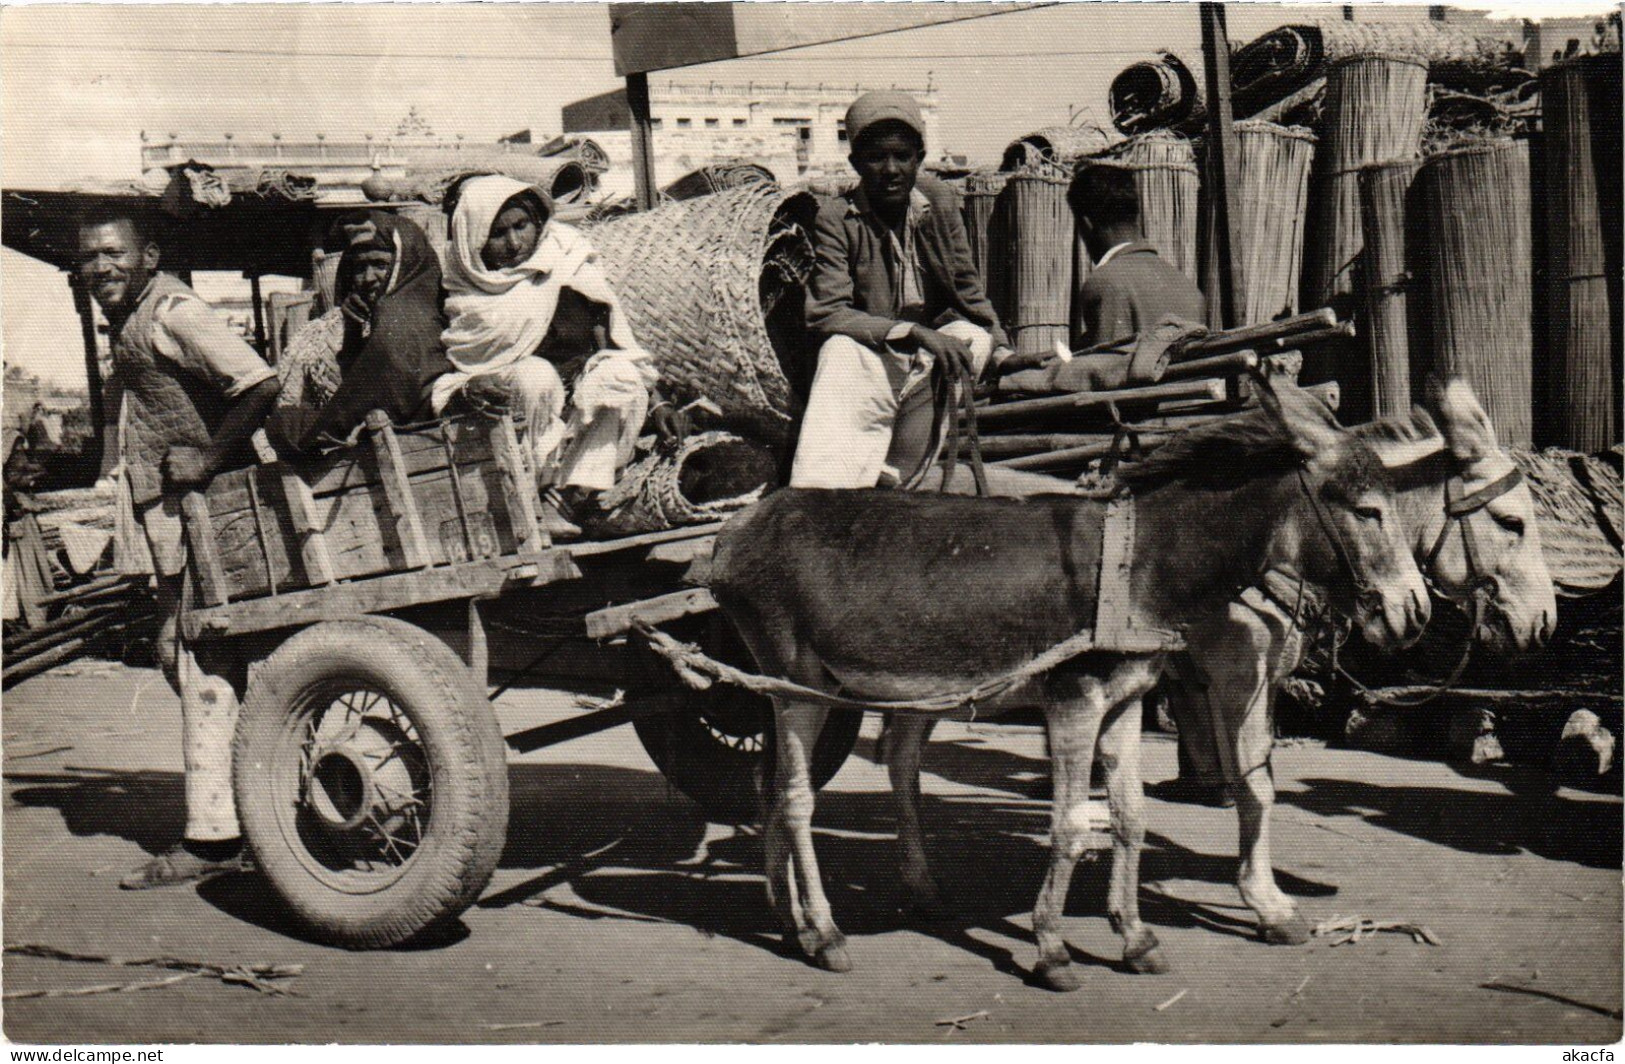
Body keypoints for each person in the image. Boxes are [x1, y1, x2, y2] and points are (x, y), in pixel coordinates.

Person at [77, 206, 280, 887]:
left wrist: (210, 457)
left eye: (113, 252)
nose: (100, 266)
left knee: (197, 661)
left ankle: (213, 838)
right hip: (174, 519)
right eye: (90, 257)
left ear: (150, 256)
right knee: (178, 656)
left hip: (212, 513)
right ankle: (256, 808)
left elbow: (258, 382)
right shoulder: (134, 321)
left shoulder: (173, 313)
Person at [790, 90, 1012, 490]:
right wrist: (909, 332)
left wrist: (1003, 348)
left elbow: (966, 286)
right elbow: (826, 312)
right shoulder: (837, 218)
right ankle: (819, 496)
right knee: (838, 351)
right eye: (876, 158)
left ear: (919, 159)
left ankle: (898, 468)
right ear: (856, 163)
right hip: (870, 355)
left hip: (925, 362)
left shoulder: (938, 203)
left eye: (902, 157)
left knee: (972, 338)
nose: (891, 169)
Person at [429, 175, 672, 535]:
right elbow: (462, 367)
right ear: (475, 241)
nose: (515, 243)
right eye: (498, 234)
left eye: (521, 226)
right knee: (535, 376)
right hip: (520, 417)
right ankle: (525, 500)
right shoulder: (464, 289)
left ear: (537, 222)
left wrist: (657, 402)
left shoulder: (567, 257)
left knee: (620, 376)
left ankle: (564, 499)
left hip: (578, 414)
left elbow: (612, 343)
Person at [267, 210, 450, 454]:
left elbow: (363, 397)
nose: (367, 278)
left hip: (418, 444)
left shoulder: (404, 315)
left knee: (286, 423)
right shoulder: (386, 314)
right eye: (359, 267)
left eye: (380, 265)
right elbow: (363, 381)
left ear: (405, 265)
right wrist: (353, 331)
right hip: (398, 433)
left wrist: (311, 433)